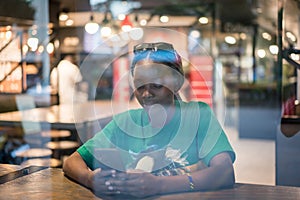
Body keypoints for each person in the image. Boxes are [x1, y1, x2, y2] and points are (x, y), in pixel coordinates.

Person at [63, 42, 236, 198]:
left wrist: (159, 185)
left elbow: (224, 171)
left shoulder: (198, 115)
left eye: (157, 86)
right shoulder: (125, 122)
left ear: (177, 82)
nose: (146, 94)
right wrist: (90, 179)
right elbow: (72, 161)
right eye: (139, 86)